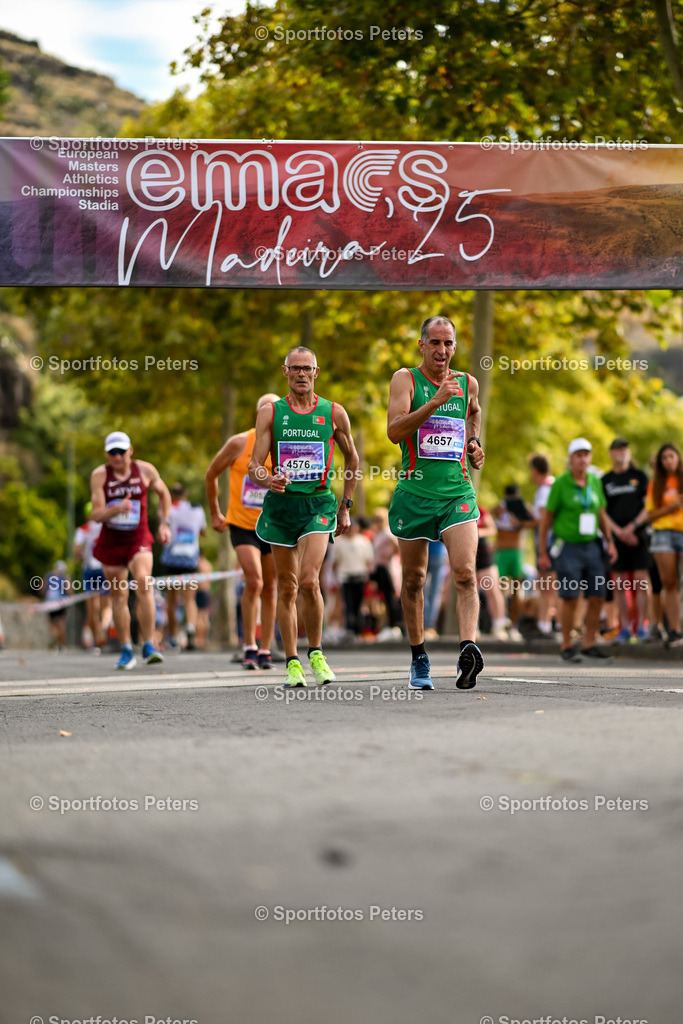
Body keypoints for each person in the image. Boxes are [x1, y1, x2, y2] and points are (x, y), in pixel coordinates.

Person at [248, 347, 359, 687]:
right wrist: (270, 478)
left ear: (316, 372)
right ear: (285, 372)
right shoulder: (270, 413)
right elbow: (255, 467)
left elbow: (352, 460)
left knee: (309, 580)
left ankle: (316, 652)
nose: (301, 374)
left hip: (319, 505)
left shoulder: (333, 412)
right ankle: (292, 661)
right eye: (294, 368)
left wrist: (346, 505)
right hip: (282, 509)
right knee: (287, 586)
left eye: (306, 369)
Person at [386, 314, 485, 690]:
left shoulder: (467, 383)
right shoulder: (405, 379)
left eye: (449, 343)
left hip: (457, 493)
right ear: (422, 345)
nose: (442, 350)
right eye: (435, 342)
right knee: (414, 580)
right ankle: (419, 657)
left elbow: (472, 413)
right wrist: (436, 401)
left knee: (464, 573)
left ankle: (467, 651)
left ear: (454, 347)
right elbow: (395, 431)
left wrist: (474, 444)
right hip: (414, 493)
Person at [206, 394, 280, 669]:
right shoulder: (239, 442)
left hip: (275, 524)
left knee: (271, 586)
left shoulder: (286, 444)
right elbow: (211, 473)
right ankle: (249, 644)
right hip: (242, 523)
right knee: (255, 580)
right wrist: (215, 512)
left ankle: (265, 649)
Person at [90, 431, 171, 669]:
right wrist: (116, 509)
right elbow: (95, 514)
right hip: (112, 542)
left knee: (144, 583)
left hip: (138, 538)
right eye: (112, 452)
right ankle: (126, 649)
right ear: (107, 454)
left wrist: (164, 522)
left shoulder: (145, 471)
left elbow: (164, 493)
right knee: (118, 595)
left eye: (121, 452)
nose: (117, 457)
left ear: (130, 451)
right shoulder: (99, 475)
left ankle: (148, 644)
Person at [538, 438, 617, 662]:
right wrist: (543, 550)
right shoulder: (561, 483)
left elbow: (601, 513)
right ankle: (566, 644)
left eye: (586, 455)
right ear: (571, 458)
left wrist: (609, 540)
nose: (583, 459)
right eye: (578, 455)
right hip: (568, 546)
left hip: (591, 544)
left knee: (598, 595)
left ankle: (589, 642)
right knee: (570, 595)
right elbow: (546, 518)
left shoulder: (594, 480)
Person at [601, 438, 651, 642]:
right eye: (617, 450)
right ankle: (624, 626)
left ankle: (641, 626)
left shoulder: (639, 476)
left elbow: (648, 506)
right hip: (617, 536)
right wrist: (618, 532)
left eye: (624, 449)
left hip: (638, 533)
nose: (621, 453)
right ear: (611, 453)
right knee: (619, 584)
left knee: (641, 581)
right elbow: (601, 511)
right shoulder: (606, 480)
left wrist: (632, 527)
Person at [643, 442, 683, 648]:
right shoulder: (656, 484)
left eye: (671, 456)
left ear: (678, 457)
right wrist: (670, 508)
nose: (668, 460)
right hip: (663, 534)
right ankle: (674, 630)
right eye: (664, 458)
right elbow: (650, 516)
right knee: (669, 583)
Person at [159, 482, 207, 651]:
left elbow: (161, 533)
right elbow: (203, 532)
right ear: (185, 494)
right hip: (190, 559)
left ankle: (173, 636)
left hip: (171, 560)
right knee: (190, 598)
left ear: (172, 495)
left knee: (171, 601)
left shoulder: (167, 509)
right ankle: (190, 629)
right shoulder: (197, 509)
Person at [73, 501, 112, 650]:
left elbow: (77, 550)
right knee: (107, 606)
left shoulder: (83, 529)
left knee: (92, 608)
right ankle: (103, 627)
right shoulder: (105, 527)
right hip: (105, 568)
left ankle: (97, 639)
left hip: (89, 569)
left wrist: (79, 558)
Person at [332, 518, 375, 638]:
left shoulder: (364, 541)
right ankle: (349, 629)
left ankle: (358, 629)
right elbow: (335, 563)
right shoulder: (339, 543)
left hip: (360, 576)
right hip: (346, 577)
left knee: (359, 605)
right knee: (348, 604)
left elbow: (369, 561)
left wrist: (369, 578)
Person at [528, 454, 556, 637]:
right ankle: (545, 623)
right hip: (550, 542)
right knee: (546, 584)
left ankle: (545, 624)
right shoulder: (550, 486)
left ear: (535, 470)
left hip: (548, 543)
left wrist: (524, 521)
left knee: (547, 585)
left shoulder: (545, 490)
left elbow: (544, 518)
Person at [44, 559, 69, 650]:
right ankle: (62, 643)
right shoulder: (64, 577)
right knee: (62, 623)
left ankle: (55, 637)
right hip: (61, 602)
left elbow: (42, 589)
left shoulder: (48, 576)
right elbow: (69, 590)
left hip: (50, 602)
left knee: (52, 622)